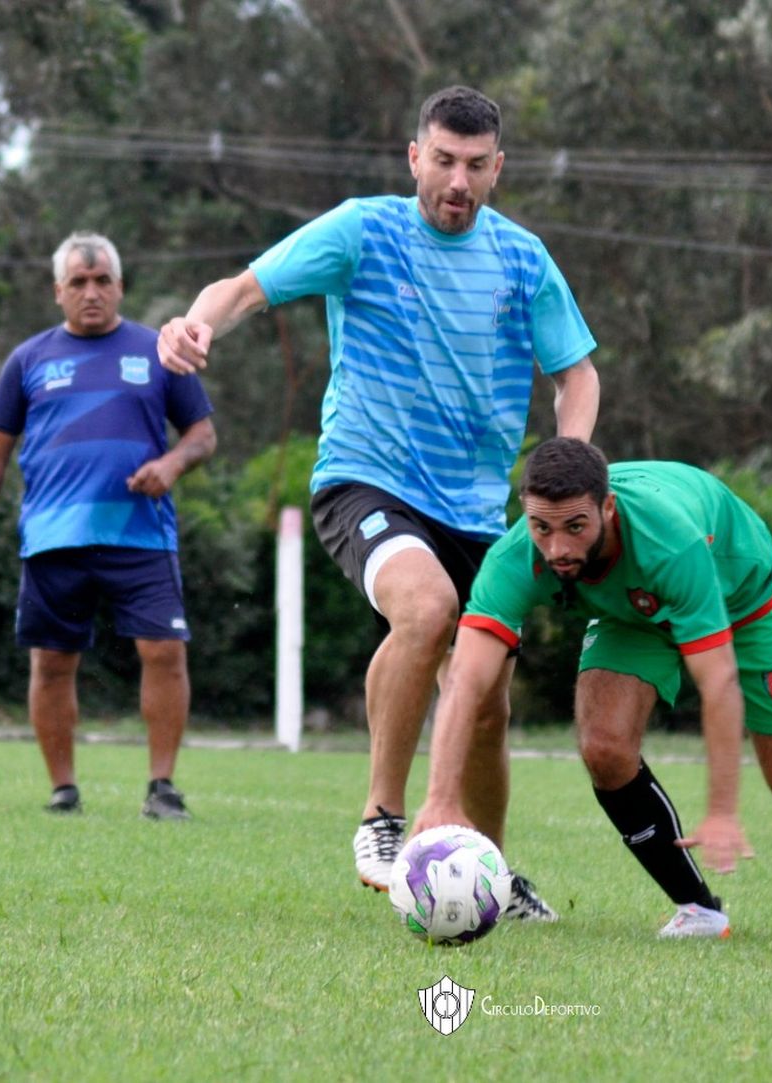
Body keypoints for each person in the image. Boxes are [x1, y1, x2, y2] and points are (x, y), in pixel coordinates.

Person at [158, 86, 599, 913]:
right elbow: (243, 288)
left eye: (475, 166)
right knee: (426, 610)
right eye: (443, 161)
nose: (457, 182)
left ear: (497, 168)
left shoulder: (523, 259)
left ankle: (488, 870)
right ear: (414, 158)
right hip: (368, 479)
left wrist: (569, 457)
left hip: (476, 510)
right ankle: (382, 816)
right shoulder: (365, 230)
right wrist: (193, 323)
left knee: (486, 698)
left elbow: (576, 371)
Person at [411, 438, 772, 938]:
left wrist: (720, 810)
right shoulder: (515, 558)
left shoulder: (672, 544)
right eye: (542, 527)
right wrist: (441, 797)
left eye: (575, 527)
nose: (558, 548)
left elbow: (717, 684)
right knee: (604, 748)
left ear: (607, 509)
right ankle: (700, 910)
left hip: (740, 595)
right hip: (632, 611)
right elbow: (466, 680)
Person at [0, 231, 217, 820]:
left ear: (120, 286)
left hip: (141, 535)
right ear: (58, 291)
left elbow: (203, 435)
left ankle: (162, 786)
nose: (92, 292)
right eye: (79, 282)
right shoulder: (28, 361)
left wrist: (171, 464)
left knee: (164, 652)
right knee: (51, 663)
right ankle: (63, 789)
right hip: (54, 537)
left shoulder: (159, 352)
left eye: (103, 281)